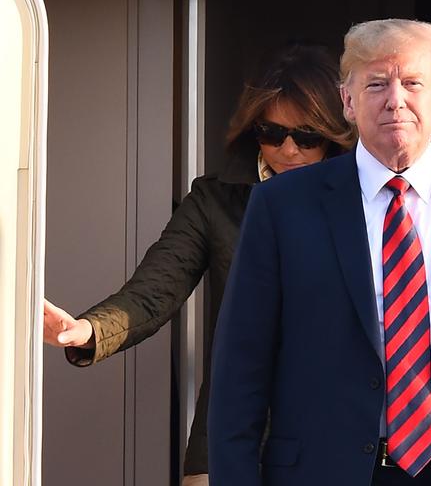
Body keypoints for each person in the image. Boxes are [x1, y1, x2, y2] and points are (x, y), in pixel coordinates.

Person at [208, 18, 431, 486]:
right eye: (376, 83)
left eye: (412, 82)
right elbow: (240, 371)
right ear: (348, 101)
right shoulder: (281, 207)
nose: (395, 99)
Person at [42, 42, 355, 486]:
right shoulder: (214, 199)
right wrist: (89, 330)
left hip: (334, 427)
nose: (288, 149)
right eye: (272, 133)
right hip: (232, 428)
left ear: (334, 135)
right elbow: (155, 290)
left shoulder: (362, 203)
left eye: (306, 136)